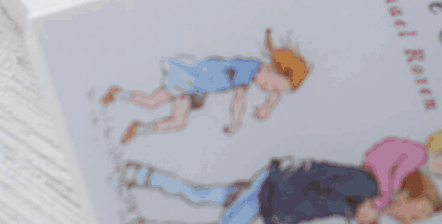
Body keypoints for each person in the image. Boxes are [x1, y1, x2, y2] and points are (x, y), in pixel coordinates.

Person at [125, 146, 442, 224]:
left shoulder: (368, 195)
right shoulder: (368, 185)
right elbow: (318, 175)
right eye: (416, 214)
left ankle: (140, 175)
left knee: (199, 195)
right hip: (270, 191)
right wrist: (352, 212)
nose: (410, 223)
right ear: (405, 194)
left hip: (271, 189)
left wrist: (355, 216)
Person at [100, 29, 309, 143]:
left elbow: (276, 93)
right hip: (188, 79)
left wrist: (268, 107)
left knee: (178, 121)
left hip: (194, 88)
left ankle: (138, 128)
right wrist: (236, 123)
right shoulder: (247, 71)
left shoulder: (258, 72)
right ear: (273, 70)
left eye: (277, 91)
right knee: (152, 103)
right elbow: (238, 101)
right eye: (274, 88)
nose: (271, 92)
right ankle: (119, 94)